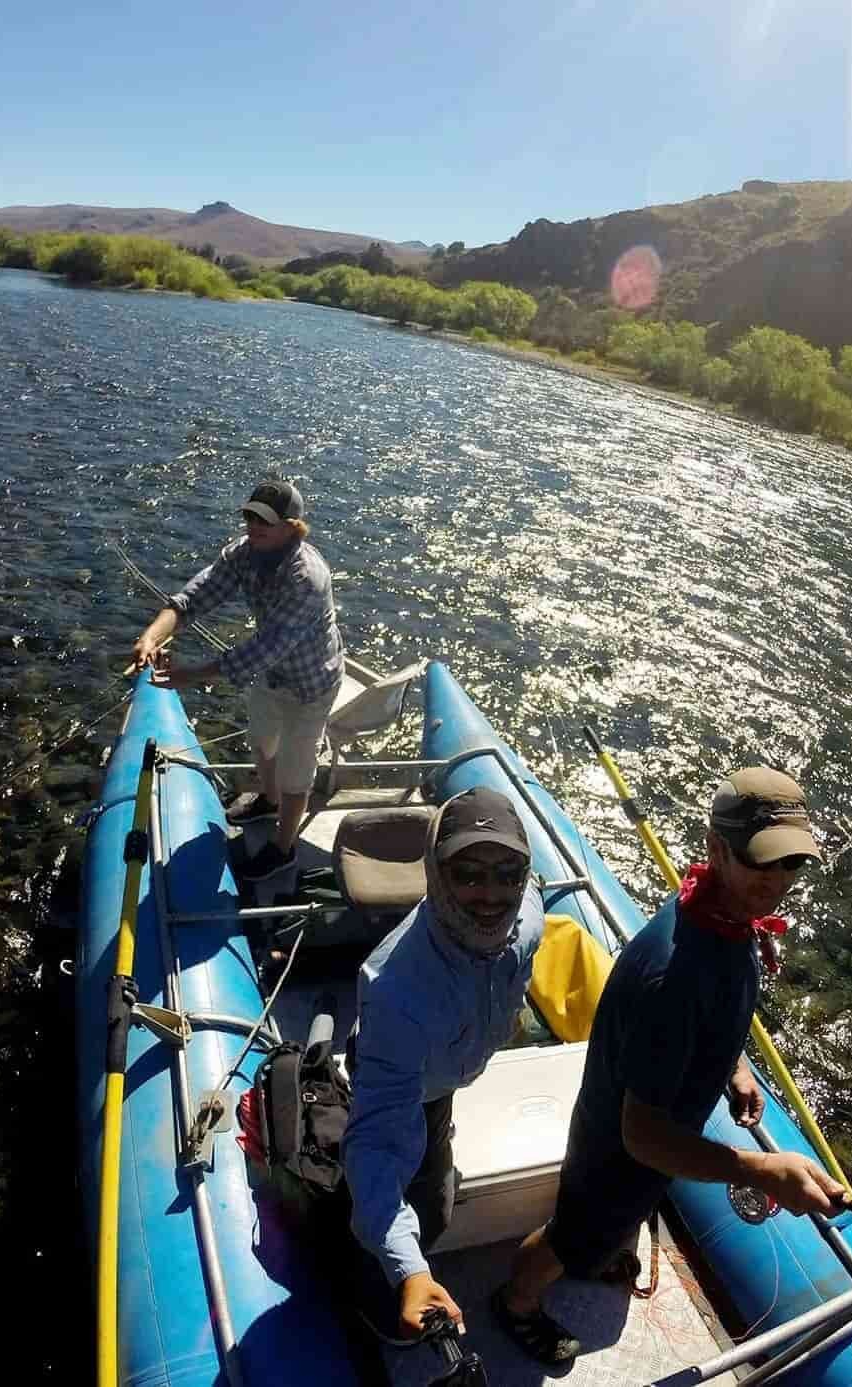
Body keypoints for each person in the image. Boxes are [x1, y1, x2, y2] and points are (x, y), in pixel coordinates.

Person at [492, 767, 847, 1364]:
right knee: (572, 1235)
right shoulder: (675, 978)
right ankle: (517, 1302)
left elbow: (712, 1017)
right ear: (715, 848)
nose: (778, 880)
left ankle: (600, 1252)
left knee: (607, 1227)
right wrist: (762, 1168)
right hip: (623, 1150)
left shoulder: (718, 911)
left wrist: (733, 1065)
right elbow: (641, 1135)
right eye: (761, 862)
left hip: (655, 1132)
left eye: (791, 863)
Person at [342, 786, 547, 1343]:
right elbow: (378, 1144)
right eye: (468, 874)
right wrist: (410, 1272)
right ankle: (373, 1289)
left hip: (449, 1069)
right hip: (406, 1077)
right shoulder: (396, 993)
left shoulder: (528, 917)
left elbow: (531, 904)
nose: (491, 894)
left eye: (509, 873)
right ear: (435, 874)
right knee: (425, 1205)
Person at [134, 480, 343, 881]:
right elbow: (195, 597)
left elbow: (265, 648)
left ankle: (284, 849)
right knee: (262, 741)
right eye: (249, 516)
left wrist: (188, 676)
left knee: (297, 771)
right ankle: (267, 798)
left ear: (292, 527)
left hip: (311, 682)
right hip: (271, 674)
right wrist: (152, 635)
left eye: (264, 520)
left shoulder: (307, 579)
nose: (253, 525)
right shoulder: (243, 553)